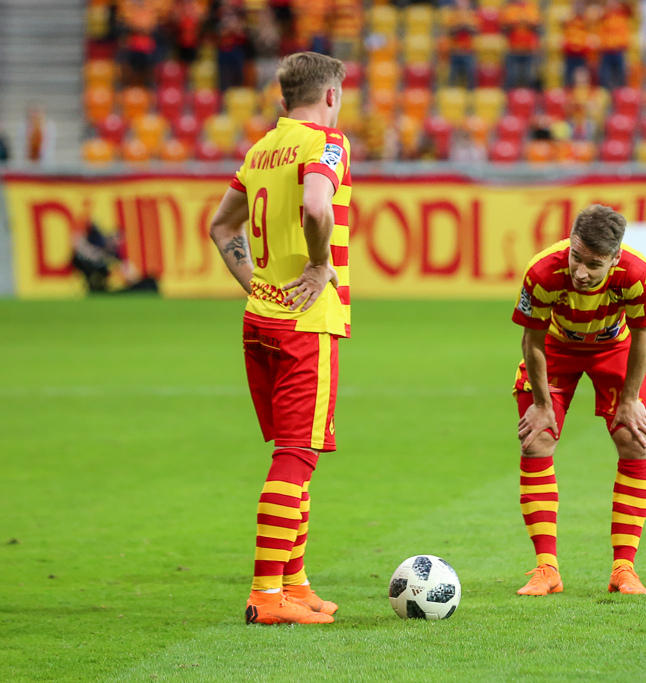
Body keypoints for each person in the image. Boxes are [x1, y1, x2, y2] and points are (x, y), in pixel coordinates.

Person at [208, 52, 353, 626]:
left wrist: (258, 285)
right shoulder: (328, 142)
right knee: (296, 455)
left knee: (294, 451)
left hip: (261, 319)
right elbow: (317, 206)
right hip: (305, 324)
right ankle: (267, 594)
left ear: (283, 96)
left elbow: (222, 226)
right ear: (331, 95)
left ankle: (294, 583)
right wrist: (318, 265)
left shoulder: (261, 149)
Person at [512, 205, 646, 597]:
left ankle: (624, 569)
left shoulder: (635, 273)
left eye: (593, 264)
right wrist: (542, 404)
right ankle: (546, 569)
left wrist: (630, 399)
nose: (581, 271)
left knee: (634, 440)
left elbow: (644, 335)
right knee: (537, 440)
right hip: (555, 348)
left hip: (615, 349)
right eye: (576, 257)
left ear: (614, 259)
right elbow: (532, 340)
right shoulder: (542, 272)